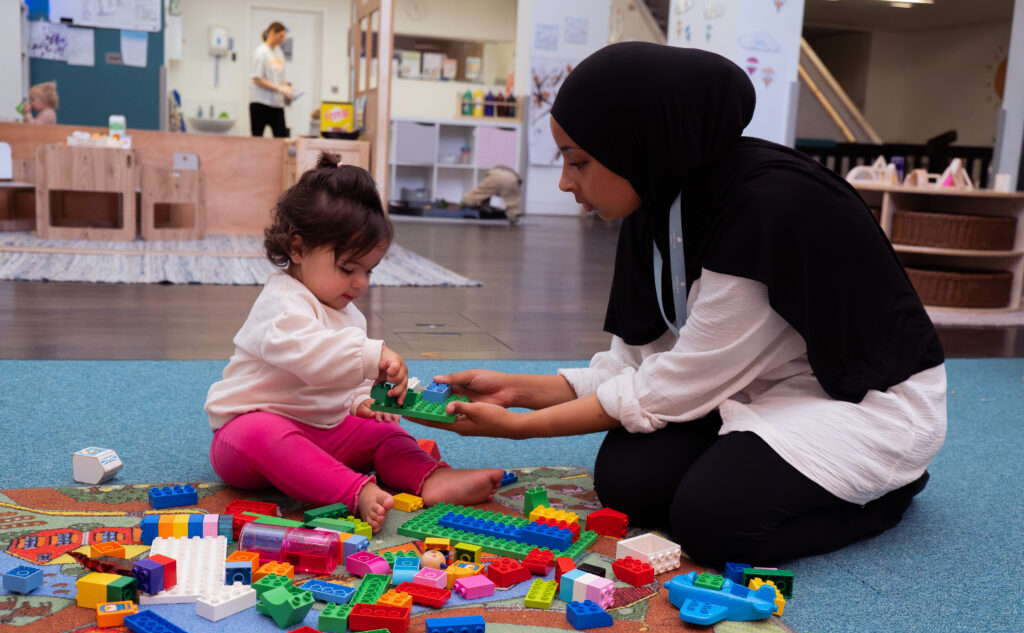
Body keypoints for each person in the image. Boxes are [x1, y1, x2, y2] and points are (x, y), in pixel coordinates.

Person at [412, 43, 947, 568]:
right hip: (743, 384)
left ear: (635, 146)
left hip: (854, 405)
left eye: (579, 161)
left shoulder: (767, 206)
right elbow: (638, 364)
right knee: (628, 486)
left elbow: (673, 386)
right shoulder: (654, 198)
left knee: (715, 525)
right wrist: (519, 390)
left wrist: (519, 427)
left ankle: (889, 490)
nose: (565, 181)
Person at [204, 153, 503, 532]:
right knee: (261, 433)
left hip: (322, 434)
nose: (360, 283)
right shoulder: (280, 305)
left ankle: (431, 479)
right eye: (348, 268)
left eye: (368, 270)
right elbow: (314, 357)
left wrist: (364, 402)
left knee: (386, 433)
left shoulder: (347, 312)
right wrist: (372, 356)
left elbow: (347, 380)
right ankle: (352, 491)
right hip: (247, 441)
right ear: (297, 249)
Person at [250, 21, 293, 138]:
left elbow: (281, 79)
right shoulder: (261, 52)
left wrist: (287, 89)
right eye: (281, 36)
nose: (282, 40)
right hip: (260, 102)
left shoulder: (279, 53)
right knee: (257, 138)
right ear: (272, 32)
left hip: (276, 104)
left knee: (281, 137)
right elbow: (257, 79)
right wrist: (279, 88)